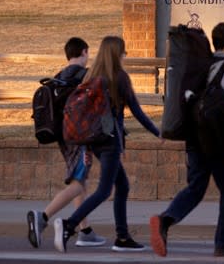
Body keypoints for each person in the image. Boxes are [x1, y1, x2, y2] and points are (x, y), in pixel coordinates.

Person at [150, 22, 224, 257]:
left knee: (196, 187)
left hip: (194, 135)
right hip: (215, 139)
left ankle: (165, 220)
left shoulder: (202, 63)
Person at [53, 35, 161, 253]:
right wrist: (158, 133)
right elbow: (138, 112)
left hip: (95, 141)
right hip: (110, 142)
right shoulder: (119, 77)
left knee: (122, 186)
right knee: (104, 190)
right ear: (116, 53)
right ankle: (69, 225)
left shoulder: (93, 74)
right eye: (123, 51)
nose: (125, 55)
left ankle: (122, 237)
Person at [27, 37, 106, 248]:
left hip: (62, 136)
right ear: (85, 52)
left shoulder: (58, 77)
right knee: (79, 182)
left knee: (78, 181)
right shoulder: (84, 76)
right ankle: (42, 217)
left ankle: (85, 231)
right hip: (79, 136)